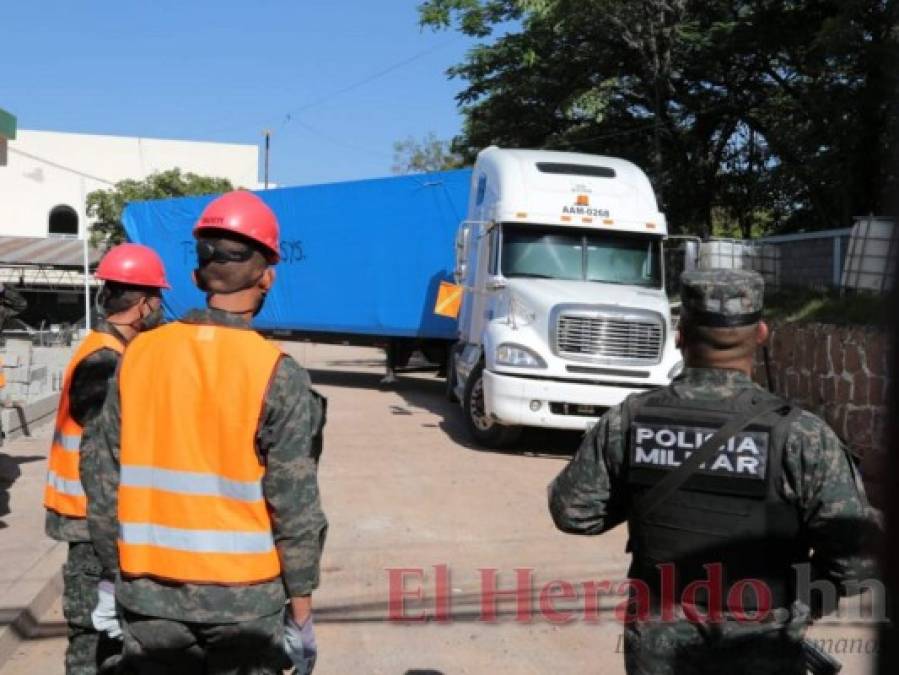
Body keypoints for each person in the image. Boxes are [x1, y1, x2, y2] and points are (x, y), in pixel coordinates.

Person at [548, 269, 879, 675]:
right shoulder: (802, 436)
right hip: (763, 643)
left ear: (679, 335)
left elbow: (573, 512)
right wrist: (802, 605)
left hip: (659, 644)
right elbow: (857, 561)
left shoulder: (630, 421)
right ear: (761, 334)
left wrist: (637, 491)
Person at [83, 190, 327, 675]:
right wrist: (301, 612)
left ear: (196, 277)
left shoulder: (138, 357)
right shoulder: (277, 372)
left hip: (148, 594)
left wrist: (113, 577)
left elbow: (101, 472)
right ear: (268, 277)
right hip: (245, 604)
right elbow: (294, 505)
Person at [44, 243, 170, 675]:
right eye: (158, 300)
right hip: (91, 522)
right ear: (143, 303)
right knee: (93, 637)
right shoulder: (105, 362)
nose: (159, 309)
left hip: (93, 519)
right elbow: (101, 458)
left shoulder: (109, 352)